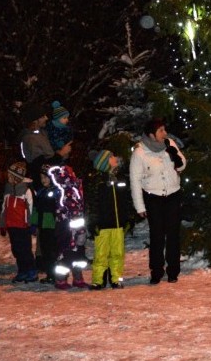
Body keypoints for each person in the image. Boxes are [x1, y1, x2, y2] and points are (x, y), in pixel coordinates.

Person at [131, 117, 186, 284]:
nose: (165, 133)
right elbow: (135, 180)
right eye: (161, 130)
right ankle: (156, 270)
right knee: (157, 236)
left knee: (173, 235)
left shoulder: (169, 144)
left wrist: (177, 158)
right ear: (151, 135)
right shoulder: (140, 152)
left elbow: (182, 165)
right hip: (153, 197)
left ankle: (173, 271)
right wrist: (139, 206)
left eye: (164, 129)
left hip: (173, 195)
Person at [88, 149, 134, 289]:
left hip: (118, 224)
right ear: (105, 163)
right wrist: (93, 222)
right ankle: (98, 280)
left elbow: (126, 200)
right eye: (112, 157)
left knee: (117, 253)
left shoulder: (121, 178)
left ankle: (116, 278)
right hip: (102, 225)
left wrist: (129, 218)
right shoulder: (98, 181)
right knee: (100, 254)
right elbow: (92, 204)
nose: (115, 158)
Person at [47, 159, 90, 289]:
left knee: (76, 255)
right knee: (66, 255)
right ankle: (61, 279)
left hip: (68, 227)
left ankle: (77, 277)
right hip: (68, 228)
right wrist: (80, 231)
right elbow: (74, 212)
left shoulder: (71, 190)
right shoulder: (69, 191)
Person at [0, 161, 38, 283]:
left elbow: (32, 208)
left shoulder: (26, 191)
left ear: (17, 177)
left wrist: (32, 223)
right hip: (12, 226)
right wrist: (2, 224)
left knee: (25, 250)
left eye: (10, 176)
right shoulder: (7, 190)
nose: (8, 178)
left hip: (23, 226)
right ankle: (22, 271)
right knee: (16, 250)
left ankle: (31, 271)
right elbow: (4, 208)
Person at [32, 163, 60, 284]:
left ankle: (56, 274)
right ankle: (50, 274)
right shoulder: (41, 192)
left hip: (52, 225)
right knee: (45, 250)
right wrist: (33, 224)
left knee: (53, 251)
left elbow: (60, 209)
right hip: (42, 225)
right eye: (42, 178)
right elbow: (36, 209)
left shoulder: (57, 191)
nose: (43, 180)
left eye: (46, 177)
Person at [19, 101, 53, 175]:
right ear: (35, 121)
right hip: (42, 180)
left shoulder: (42, 133)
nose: (46, 118)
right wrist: (60, 155)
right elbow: (39, 165)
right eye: (43, 116)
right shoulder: (30, 139)